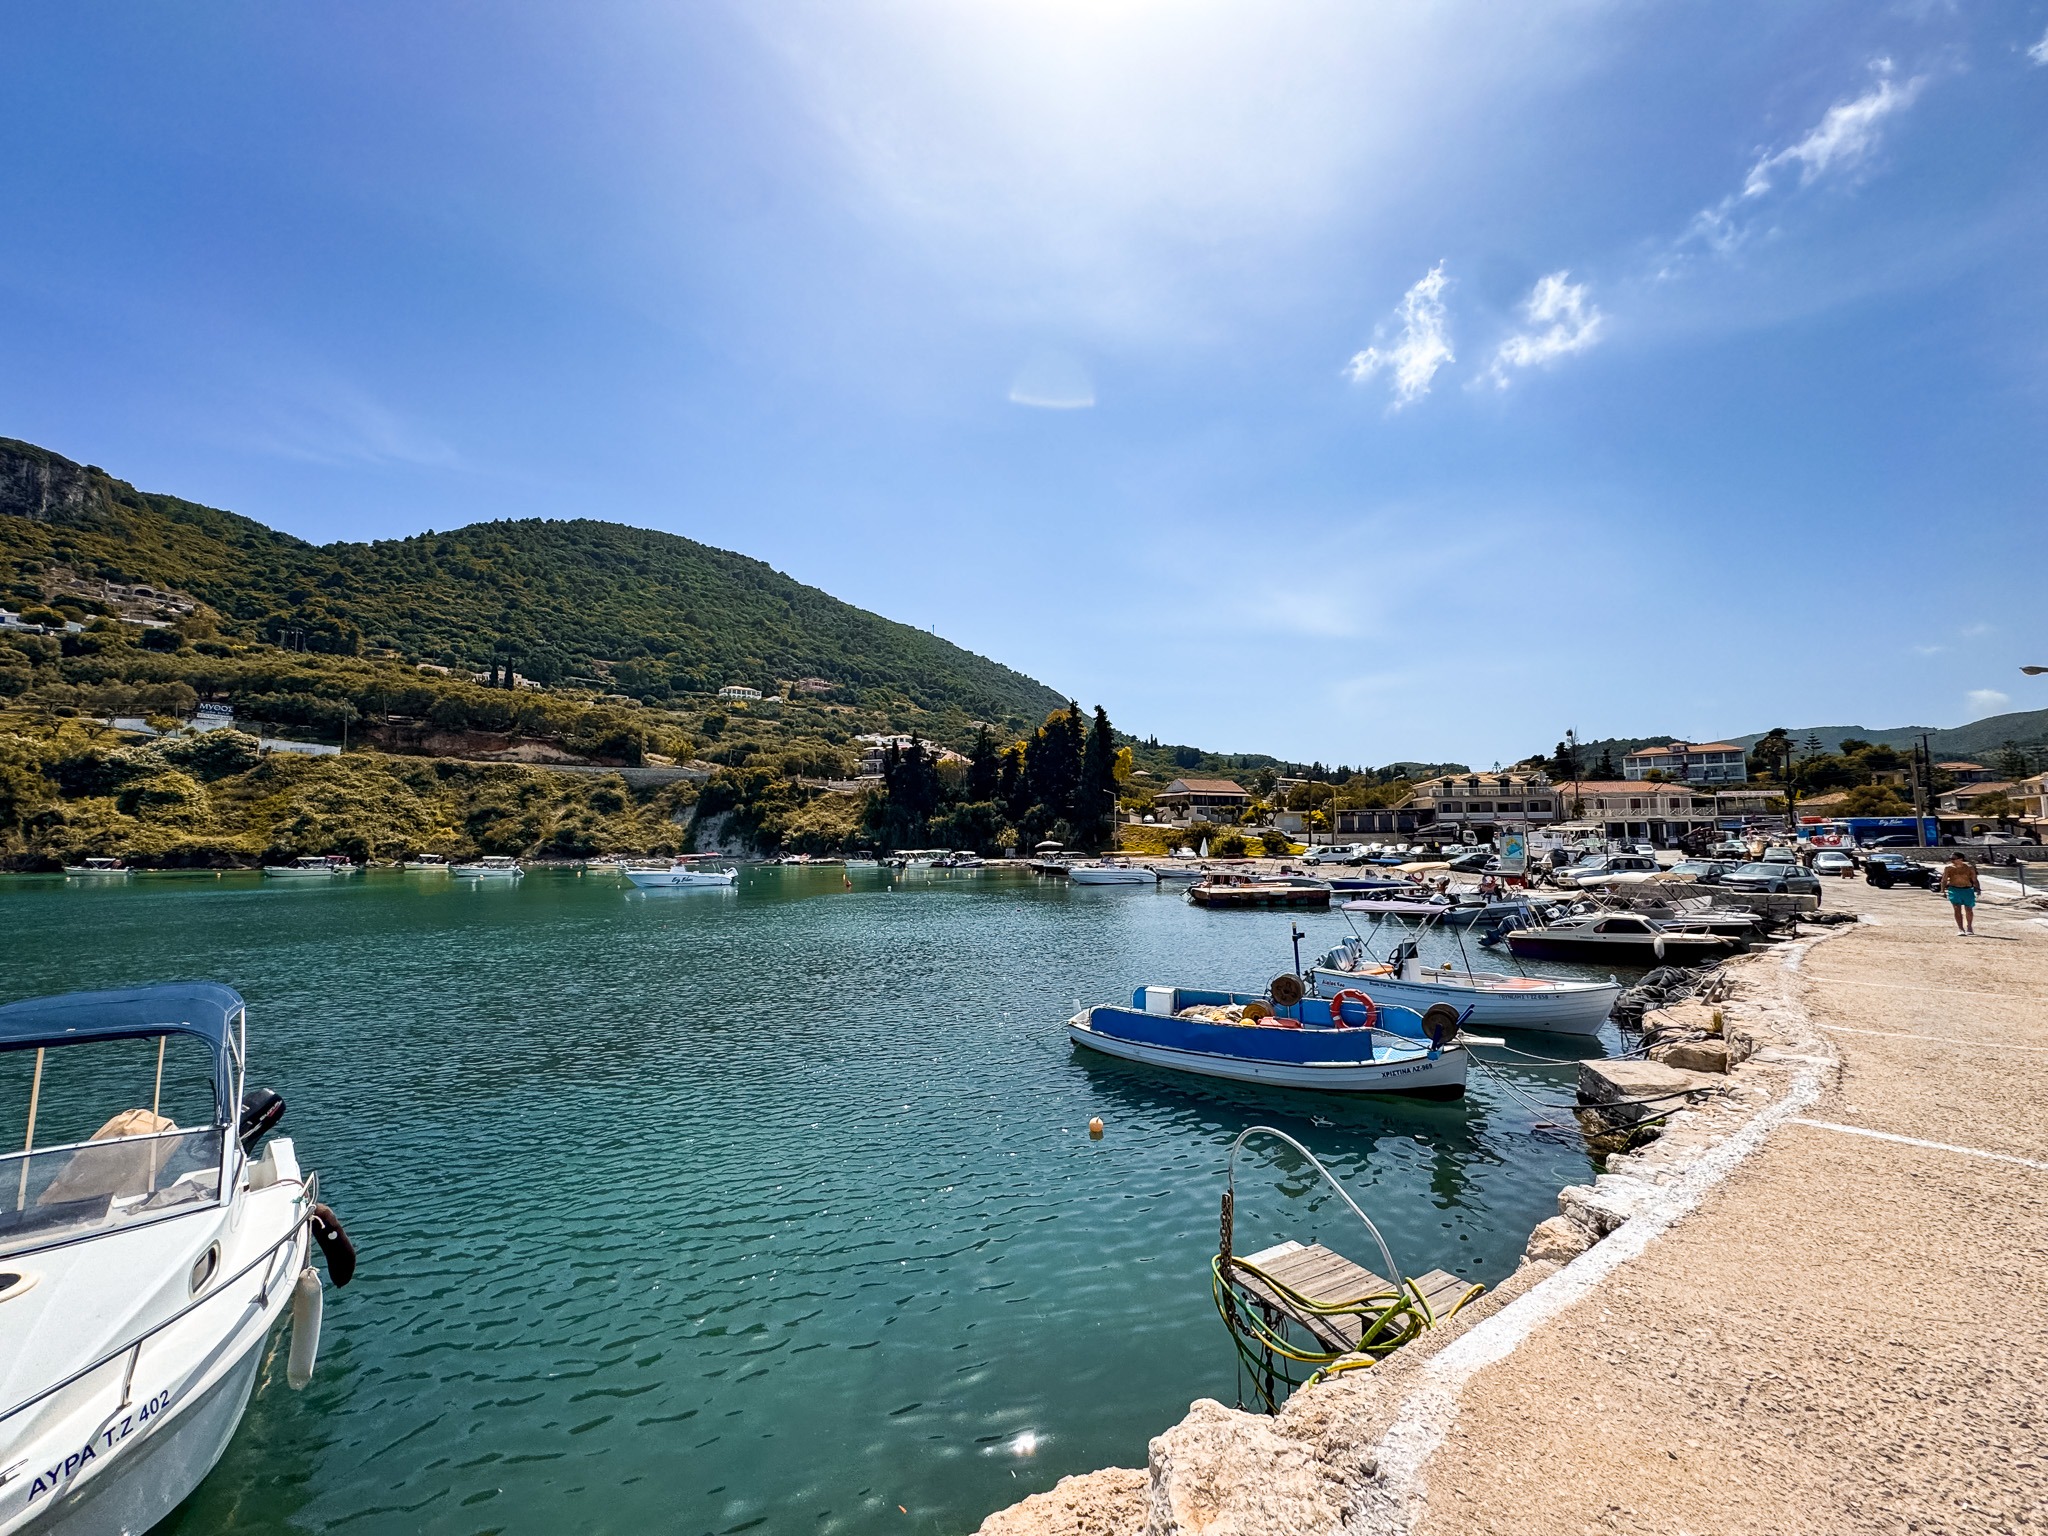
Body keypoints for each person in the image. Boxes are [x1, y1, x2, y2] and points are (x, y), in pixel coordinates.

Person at [1940, 852, 1980, 935]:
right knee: (1957, 908)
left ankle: (1969, 927)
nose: (1952, 860)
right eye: (1951, 859)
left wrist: (1978, 889)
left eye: (1954, 859)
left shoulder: (1969, 868)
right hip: (1954, 889)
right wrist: (1943, 891)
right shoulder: (1948, 868)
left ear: (1961, 859)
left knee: (1969, 909)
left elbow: (1974, 879)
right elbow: (1944, 880)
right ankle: (1960, 928)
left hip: (1967, 889)